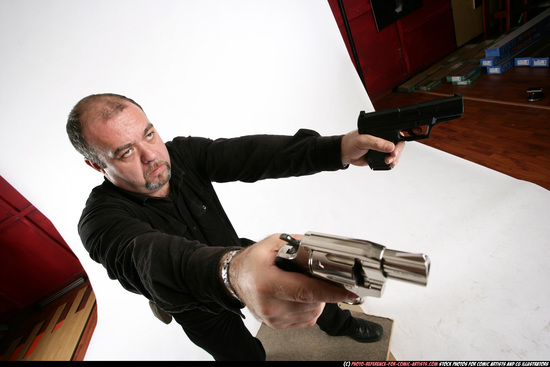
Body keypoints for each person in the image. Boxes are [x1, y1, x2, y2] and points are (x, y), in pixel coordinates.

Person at [66, 93, 407, 361]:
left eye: (149, 134)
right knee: (240, 356)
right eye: (126, 152)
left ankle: (341, 325)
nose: (152, 156)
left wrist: (337, 149)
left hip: (233, 248)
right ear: (96, 164)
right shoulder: (99, 222)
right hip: (189, 300)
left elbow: (253, 154)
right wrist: (233, 273)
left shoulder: (181, 153)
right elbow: (149, 257)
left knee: (304, 273)